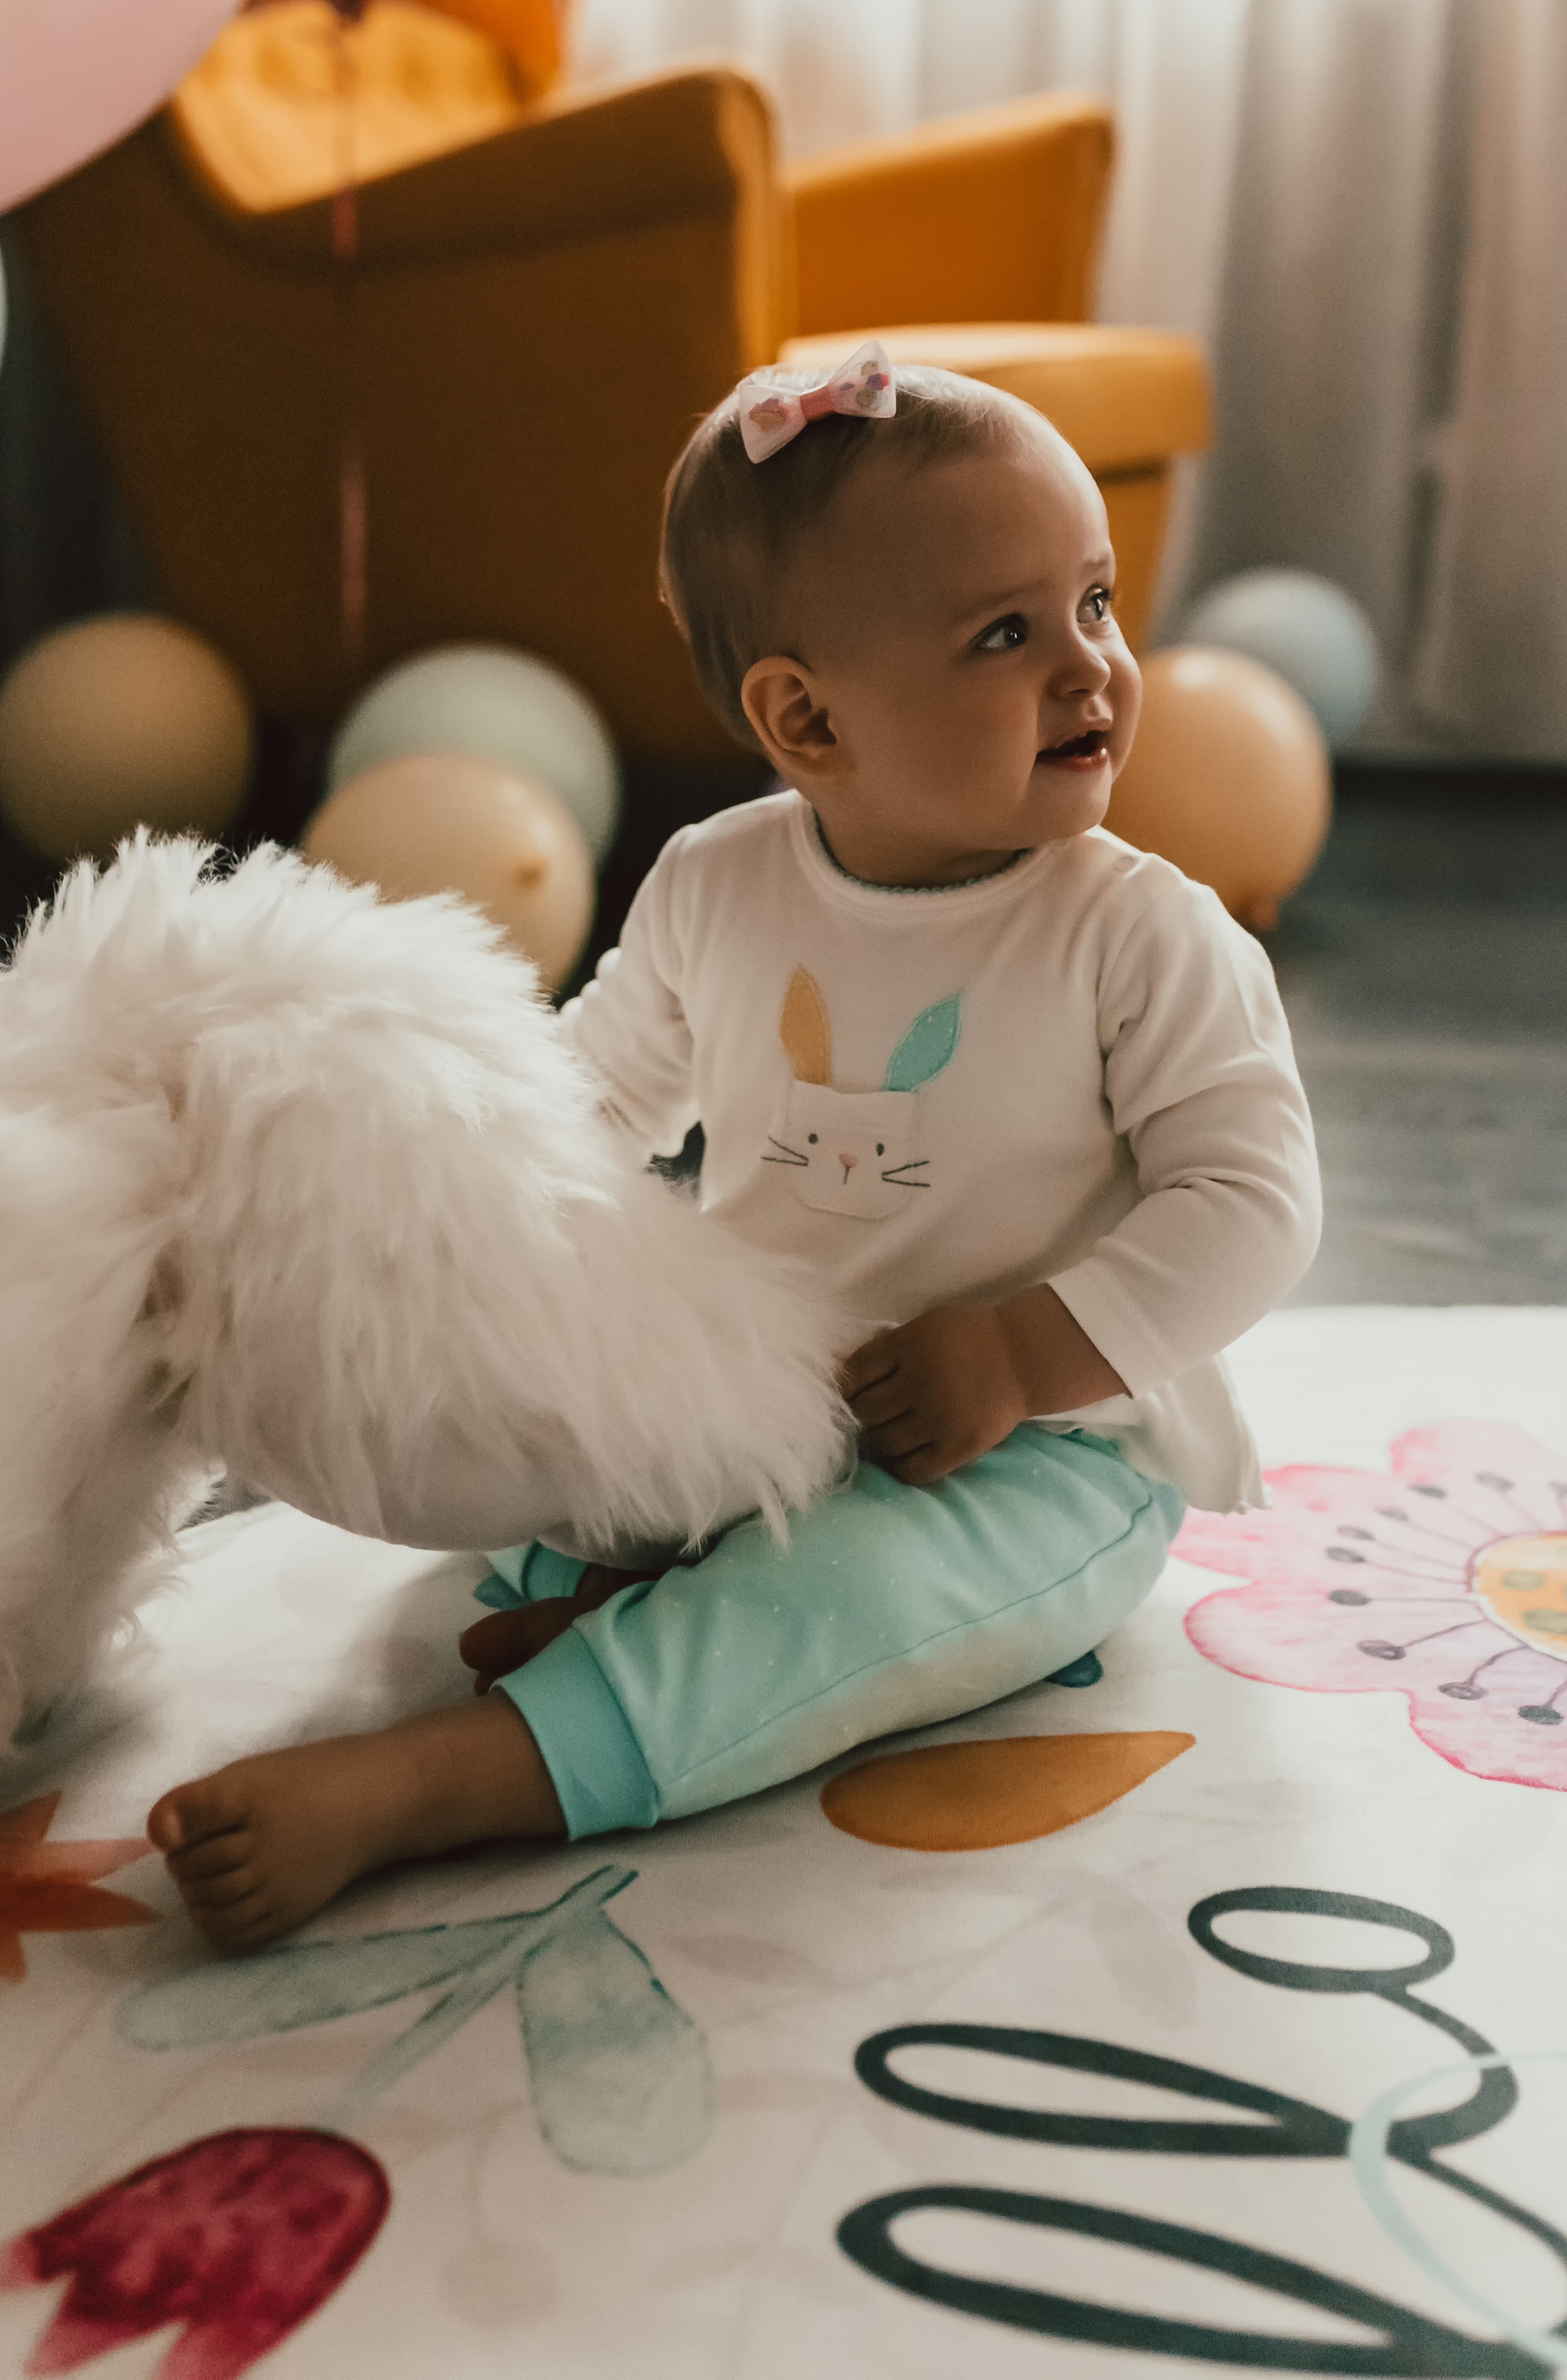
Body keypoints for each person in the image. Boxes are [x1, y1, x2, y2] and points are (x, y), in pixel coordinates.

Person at [148, 350, 1322, 1948]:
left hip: (1042, 1450)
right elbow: (589, 1100)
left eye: (1098, 603)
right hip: (769, 1403)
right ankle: (600, 1604)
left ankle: (441, 1784)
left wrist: (1022, 1357)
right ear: (805, 716)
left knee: (843, 1608)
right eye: (1007, 633)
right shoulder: (719, 886)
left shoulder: (1137, 935)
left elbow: (1251, 1202)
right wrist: (436, 1216)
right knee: (541, 1491)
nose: (1094, 670)